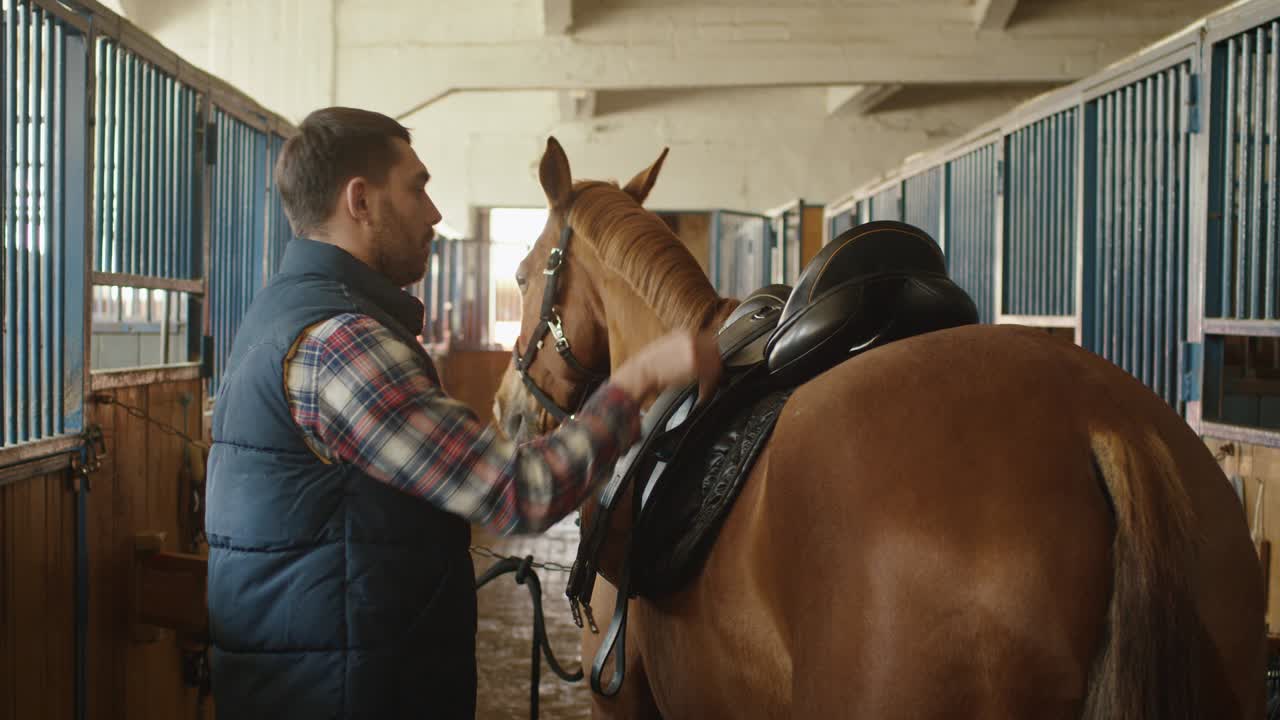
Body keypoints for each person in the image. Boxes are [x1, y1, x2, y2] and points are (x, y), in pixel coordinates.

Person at [203, 106, 721, 720]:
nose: (435, 211)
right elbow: (521, 491)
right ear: (360, 201)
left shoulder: (283, 315)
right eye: (418, 186)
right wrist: (640, 378)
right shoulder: (344, 345)